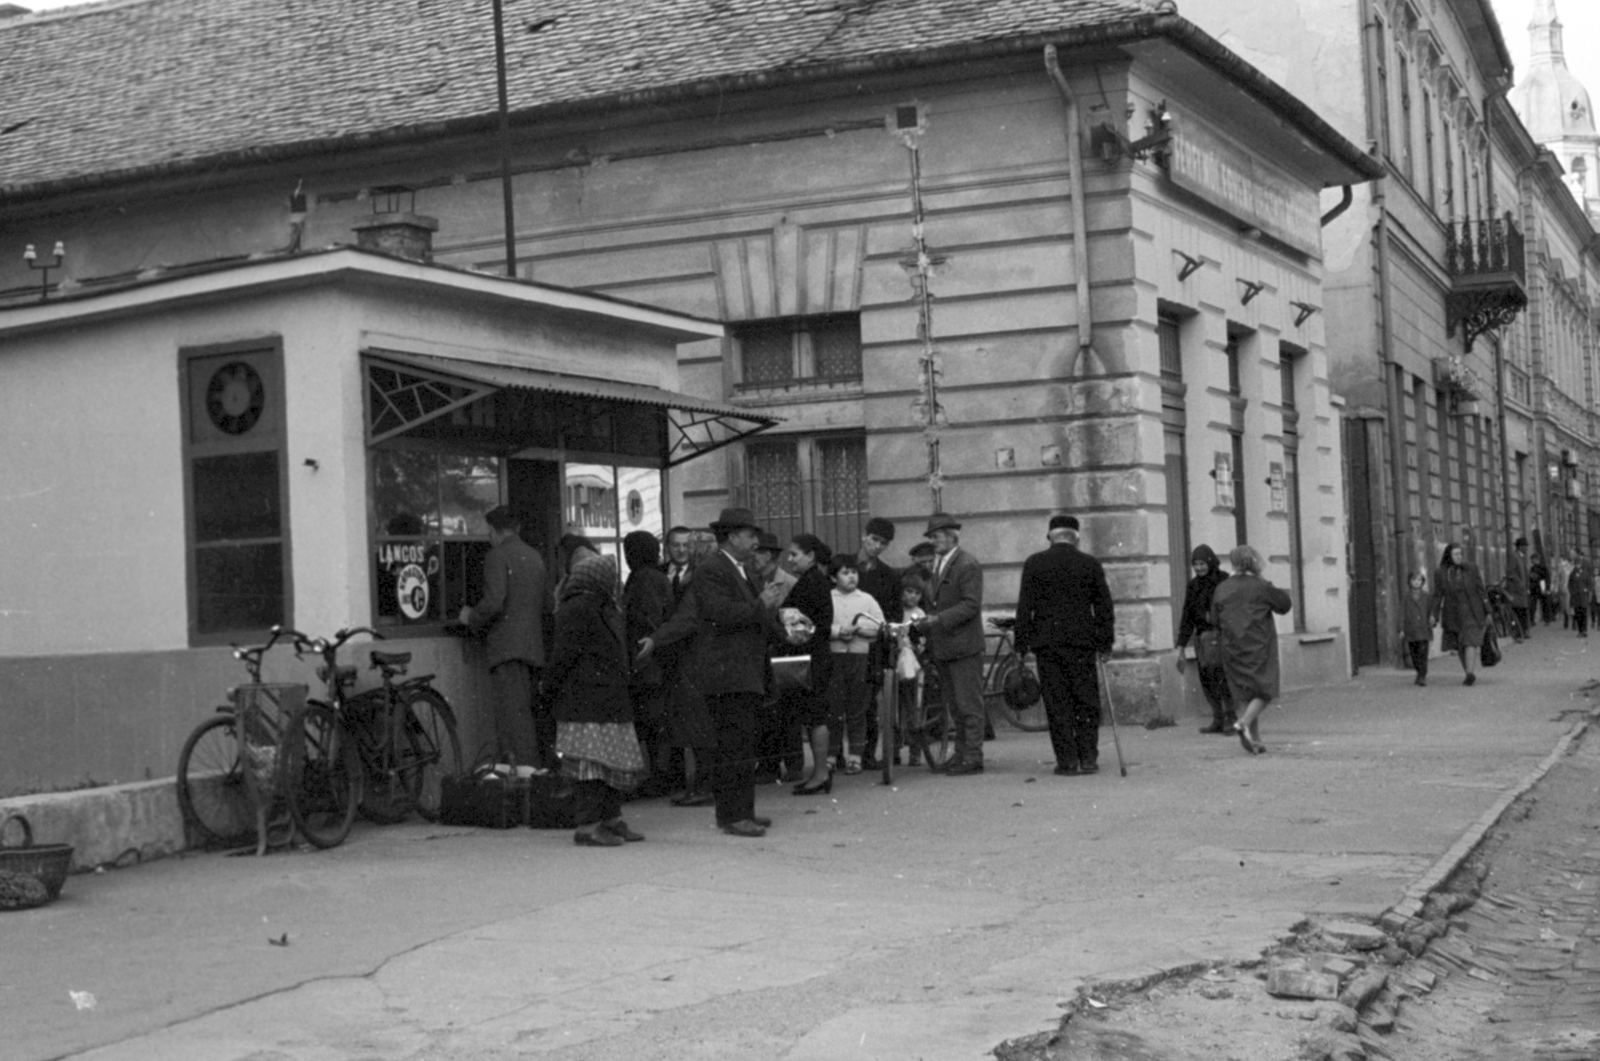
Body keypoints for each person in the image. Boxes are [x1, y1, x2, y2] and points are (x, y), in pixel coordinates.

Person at [692, 507, 788, 837]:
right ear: (732, 537)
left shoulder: (740, 570)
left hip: (744, 670)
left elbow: (751, 613)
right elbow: (720, 613)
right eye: (750, 535)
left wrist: (778, 623)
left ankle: (741, 811)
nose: (755, 541)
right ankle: (734, 815)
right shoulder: (712, 569)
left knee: (744, 744)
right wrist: (761, 605)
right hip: (727, 672)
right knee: (735, 745)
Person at [542, 553, 648, 846]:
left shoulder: (601, 605)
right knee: (591, 768)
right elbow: (563, 656)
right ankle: (588, 826)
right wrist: (547, 689)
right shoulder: (578, 608)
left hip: (606, 700)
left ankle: (611, 820)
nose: (614, 583)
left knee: (610, 764)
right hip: (586, 702)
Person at [1013, 515, 1116, 775]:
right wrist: (1105, 643)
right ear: (1076, 537)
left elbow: (1025, 607)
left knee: (1057, 703)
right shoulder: (1090, 564)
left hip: (1048, 645)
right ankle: (1089, 757)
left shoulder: (1034, 563)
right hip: (1082, 644)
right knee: (1085, 700)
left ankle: (1067, 760)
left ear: (1050, 536)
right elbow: (1104, 607)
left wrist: (1021, 645)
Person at [459, 506, 553, 769]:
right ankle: (531, 776)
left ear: (493, 531)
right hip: (534, 650)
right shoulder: (535, 557)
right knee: (527, 718)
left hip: (506, 649)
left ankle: (522, 779)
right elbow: (548, 604)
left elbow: (494, 601)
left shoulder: (496, 556)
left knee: (512, 721)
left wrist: (471, 617)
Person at [914, 512, 986, 776]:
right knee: (956, 706)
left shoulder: (966, 564)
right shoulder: (940, 564)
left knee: (968, 705)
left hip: (963, 646)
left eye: (936, 536)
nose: (933, 541)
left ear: (951, 535)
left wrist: (937, 620)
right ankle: (962, 754)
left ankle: (973, 756)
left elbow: (971, 605)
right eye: (932, 537)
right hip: (946, 646)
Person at [1209, 545, 1292, 755]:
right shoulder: (1261, 586)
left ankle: (1255, 740)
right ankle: (1244, 723)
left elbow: (1214, 618)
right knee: (1266, 689)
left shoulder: (1222, 587)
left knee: (1244, 693)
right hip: (1259, 645)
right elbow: (1284, 605)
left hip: (1232, 647)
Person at [622, 530, 675, 796]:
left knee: (651, 721)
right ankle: (658, 773)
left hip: (647, 661)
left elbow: (647, 619)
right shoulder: (654, 576)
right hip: (653, 661)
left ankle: (658, 775)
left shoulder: (644, 579)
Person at [784, 533, 836, 795]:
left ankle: (820, 773)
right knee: (815, 715)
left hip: (812, 657)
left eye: (794, 554)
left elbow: (802, 624)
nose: (790, 559)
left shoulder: (812, 582)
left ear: (810, 556)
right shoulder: (814, 580)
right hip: (816, 656)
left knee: (816, 716)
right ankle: (820, 772)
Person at [828, 553, 886, 775]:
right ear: (834, 578)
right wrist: (837, 631)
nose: (851, 577)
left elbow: (879, 625)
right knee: (833, 708)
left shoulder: (867, 600)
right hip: (834, 657)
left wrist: (860, 629)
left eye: (853, 572)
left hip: (860, 657)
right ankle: (832, 756)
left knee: (857, 708)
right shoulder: (827, 598)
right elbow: (820, 625)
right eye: (845, 573)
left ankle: (855, 756)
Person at [749, 531, 798, 782]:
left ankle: (793, 763)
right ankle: (769, 765)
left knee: (787, 710)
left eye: (755, 552)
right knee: (766, 712)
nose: (752, 557)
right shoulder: (752, 580)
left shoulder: (788, 582)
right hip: (760, 654)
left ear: (767, 555)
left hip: (782, 652)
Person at [854, 517, 901, 769]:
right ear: (864, 536)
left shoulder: (889, 576)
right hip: (845, 643)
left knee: (870, 702)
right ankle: (841, 754)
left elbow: (894, 615)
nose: (877, 546)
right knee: (845, 701)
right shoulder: (844, 566)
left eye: (883, 543)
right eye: (874, 540)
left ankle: (867, 754)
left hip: (873, 647)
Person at [1174, 544, 1234, 735]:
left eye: (1201, 563)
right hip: (1202, 640)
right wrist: (1181, 645)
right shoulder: (1193, 586)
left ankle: (1231, 719)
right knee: (1207, 679)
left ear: (1210, 562)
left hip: (1221, 637)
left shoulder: (1223, 580)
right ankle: (1217, 718)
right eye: (1195, 564)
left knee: (1223, 678)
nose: (1199, 568)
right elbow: (1187, 615)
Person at [1430, 542, 1489, 686]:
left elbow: (1481, 589)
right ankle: (1467, 672)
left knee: (1470, 640)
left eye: (1460, 554)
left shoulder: (1471, 569)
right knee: (1460, 644)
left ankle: (1470, 673)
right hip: (1453, 612)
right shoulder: (1441, 572)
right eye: (1455, 554)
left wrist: (1488, 609)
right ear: (1448, 556)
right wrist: (1434, 614)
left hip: (1472, 610)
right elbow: (1438, 595)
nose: (1459, 557)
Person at [1401, 569, 1434, 687]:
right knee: (1414, 654)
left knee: (1423, 653)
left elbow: (1431, 610)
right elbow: (1402, 613)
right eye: (1414, 580)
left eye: (1419, 580)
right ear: (1409, 581)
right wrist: (1401, 629)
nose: (1416, 582)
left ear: (1422, 582)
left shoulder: (1427, 596)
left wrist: (1432, 618)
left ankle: (1422, 675)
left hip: (1424, 629)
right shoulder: (1406, 597)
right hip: (1411, 630)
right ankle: (1418, 672)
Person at [1505, 537, 1531, 642]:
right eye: (1525, 546)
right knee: (1518, 611)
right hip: (1516, 590)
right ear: (1520, 547)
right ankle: (1518, 632)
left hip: (1522, 590)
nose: (1526, 548)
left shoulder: (1521, 557)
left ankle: (1524, 631)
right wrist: (1519, 582)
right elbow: (1510, 572)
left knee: (1523, 611)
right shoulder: (1514, 556)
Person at [663, 525, 695, 607]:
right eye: (675, 545)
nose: (681, 550)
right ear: (666, 547)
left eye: (686, 545)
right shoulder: (656, 573)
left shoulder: (701, 574)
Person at [1572, 553, 1593, 638]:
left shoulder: (1586, 574)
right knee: (1578, 614)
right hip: (1576, 597)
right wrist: (1572, 592)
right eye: (1576, 564)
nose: (1577, 565)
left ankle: (1584, 630)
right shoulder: (1572, 574)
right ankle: (1580, 630)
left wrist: (1587, 590)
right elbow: (1570, 584)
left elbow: (1590, 584)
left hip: (1583, 597)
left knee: (1584, 614)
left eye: (1579, 564)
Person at [1530, 550, 1551, 625]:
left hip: (1542, 587)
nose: (1531, 561)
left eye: (1532, 560)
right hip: (1535, 588)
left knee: (1544, 604)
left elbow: (1546, 578)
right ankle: (1532, 620)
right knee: (1533, 605)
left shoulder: (1542, 567)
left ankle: (1547, 619)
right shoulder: (1533, 568)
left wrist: (1547, 588)